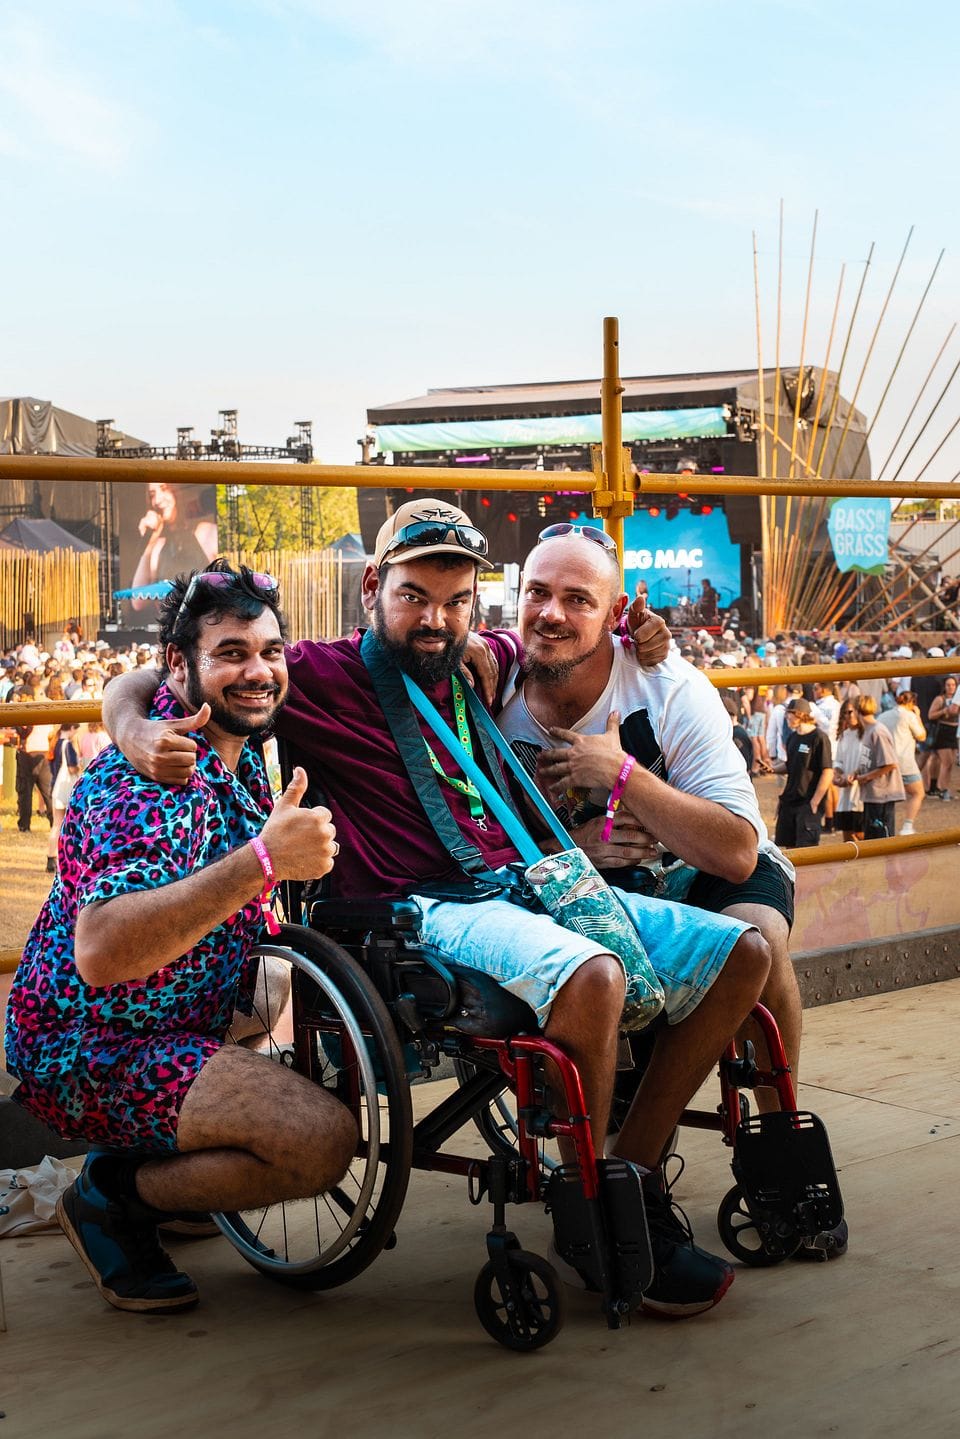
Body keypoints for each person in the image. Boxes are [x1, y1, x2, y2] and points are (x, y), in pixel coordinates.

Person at [104, 500, 771, 1321]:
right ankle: (590, 1207)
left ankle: (623, 1180)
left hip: (525, 888)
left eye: (457, 601)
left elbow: (571, 635)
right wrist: (128, 718)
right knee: (593, 974)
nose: (436, 619)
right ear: (373, 589)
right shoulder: (314, 672)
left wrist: (643, 627)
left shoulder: (483, 654)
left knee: (745, 954)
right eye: (415, 596)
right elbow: (171, 667)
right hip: (418, 908)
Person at [5, 563, 354, 1315]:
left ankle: (174, 1165)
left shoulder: (228, 751)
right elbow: (99, 953)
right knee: (321, 1141)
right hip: (95, 1041)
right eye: (231, 652)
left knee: (275, 978)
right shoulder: (146, 780)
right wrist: (265, 861)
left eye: (269, 649)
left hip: (171, 1023)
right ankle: (111, 1195)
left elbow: (133, 681)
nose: (257, 670)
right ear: (182, 664)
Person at [494, 530, 802, 1136]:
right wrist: (569, 851)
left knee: (760, 934)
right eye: (538, 592)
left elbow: (738, 852)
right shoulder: (490, 690)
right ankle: (623, 1163)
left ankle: (780, 1142)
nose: (552, 613)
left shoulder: (669, 687)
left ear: (615, 615)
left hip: (702, 867)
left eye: (578, 599)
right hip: (581, 883)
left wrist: (623, 775)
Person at [130, 481, 219, 611]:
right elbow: (138, 601)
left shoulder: (205, 532)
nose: (158, 500)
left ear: (177, 491)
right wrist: (150, 541)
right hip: (173, 629)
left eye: (164, 489)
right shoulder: (158, 546)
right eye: (152, 495)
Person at [772, 698, 834, 849]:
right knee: (789, 851)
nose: (786, 717)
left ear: (799, 714)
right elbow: (791, 765)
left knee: (806, 850)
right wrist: (772, 769)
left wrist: (815, 802)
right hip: (789, 802)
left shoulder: (819, 738)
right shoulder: (793, 737)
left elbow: (827, 771)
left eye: (789, 714)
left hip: (807, 803)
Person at [854, 695, 905, 839]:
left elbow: (890, 763)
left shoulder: (877, 731)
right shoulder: (868, 730)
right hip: (872, 794)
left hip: (882, 794)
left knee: (882, 836)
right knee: (871, 836)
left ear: (858, 711)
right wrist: (857, 772)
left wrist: (866, 777)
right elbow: (870, 760)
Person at [878, 691, 926, 835]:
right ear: (912, 703)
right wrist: (917, 715)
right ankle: (907, 825)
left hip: (885, 761)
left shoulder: (882, 716)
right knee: (918, 793)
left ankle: (883, 826)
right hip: (905, 762)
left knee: (885, 797)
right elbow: (922, 736)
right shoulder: (909, 716)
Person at [833, 700, 865, 842]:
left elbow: (868, 760)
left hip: (861, 792)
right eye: (845, 713)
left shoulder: (866, 734)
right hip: (846, 791)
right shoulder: (843, 736)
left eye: (850, 712)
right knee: (847, 834)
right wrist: (838, 775)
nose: (848, 716)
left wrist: (855, 775)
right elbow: (839, 760)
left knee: (860, 834)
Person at [926, 677, 959, 800]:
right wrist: (944, 711)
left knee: (951, 764)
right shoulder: (940, 699)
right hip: (943, 731)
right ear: (944, 686)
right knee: (947, 762)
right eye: (948, 685)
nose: (951, 687)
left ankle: (945, 788)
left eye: (953, 685)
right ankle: (942, 789)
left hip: (954, 731)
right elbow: (931, 714)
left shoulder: (957, 699)